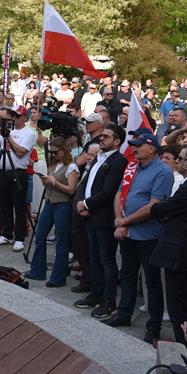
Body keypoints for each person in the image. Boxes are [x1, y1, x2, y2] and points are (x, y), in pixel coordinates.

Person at [104, 131, 173, 344]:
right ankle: (124, 313)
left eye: (139, 145)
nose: (134, 148)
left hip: (149, 235)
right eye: (133, 145)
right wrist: (119, 219)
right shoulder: (132, 166)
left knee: (152, 281)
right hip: (128, 232)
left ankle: (154, 326)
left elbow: (154, 206)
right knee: (127, 274)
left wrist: (124, 222)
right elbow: (119, 194)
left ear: (152, 148)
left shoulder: (163, 171)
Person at [74, 124, 129, 320]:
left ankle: (108, 300)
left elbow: (108, 191)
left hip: (104, 218)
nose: (101, 138)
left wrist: (86, 204)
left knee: (107, 260)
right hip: (91, 215)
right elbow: (88, 182)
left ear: (117, 141)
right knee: (94, 258)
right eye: (102, 136)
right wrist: (82, 202)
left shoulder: (119, 161)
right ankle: (96, 293)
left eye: (106, 136)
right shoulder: (99, 157)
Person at [150, 146, 187, 346]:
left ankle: (182, 342)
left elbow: (163, 209)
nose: (178, 162)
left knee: (178, 301)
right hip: (177, 247)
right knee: (178, 298)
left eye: (182, 159)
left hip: (179, 250)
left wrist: (158, 208)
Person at [26, 136, 80, 287]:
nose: (53, 155)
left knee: (61, 241)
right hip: (50, 203)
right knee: (40, 235)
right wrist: (46, 182)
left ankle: (58, 277)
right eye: (51, 152)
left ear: (64, 150)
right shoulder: (53, 164)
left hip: (63, 205)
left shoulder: (72, 167)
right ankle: (38, 270)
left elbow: (71, 190)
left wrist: (54, 182)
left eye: (56, 152)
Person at [0, 106, 35, 251]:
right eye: (13, 115)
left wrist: (8, 137)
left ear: (24, 118)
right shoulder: (7, 129)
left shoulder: (29, 133)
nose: (14, 118)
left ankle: (19, 238)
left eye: (18, 116)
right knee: (4, 205)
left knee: (19, 207)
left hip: (19, 172)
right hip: (3, 171)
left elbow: (21, 152)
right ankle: (6, 234)